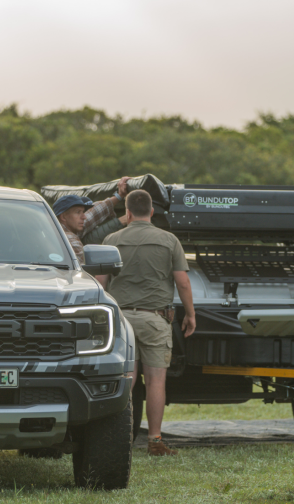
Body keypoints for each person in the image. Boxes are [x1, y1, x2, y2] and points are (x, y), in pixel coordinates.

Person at [100, 190, 196, 456]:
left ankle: (117, 437)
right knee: (155, 381)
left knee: (125, 380)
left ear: (127, 213)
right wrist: (190, 315)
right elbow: (183, 282)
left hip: (121, 321)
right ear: (152, 212)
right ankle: (155, 441)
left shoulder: (112, 240)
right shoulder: (169, 240)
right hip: (155, 319)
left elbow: (100, 284)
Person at [52, 176, 130, 264]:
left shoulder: (66, 226)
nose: (84, 217)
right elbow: (84, 272)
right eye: (78, 212)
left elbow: (94, 213)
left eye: (83, 212)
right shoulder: (71, 241)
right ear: (63, 217)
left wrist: (119, 195)